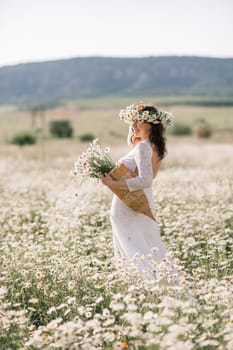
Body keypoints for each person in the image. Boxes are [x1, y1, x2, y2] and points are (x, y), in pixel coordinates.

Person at [101, 103, 176, 281]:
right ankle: (155, 283)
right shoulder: (152, 146)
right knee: (147, 246)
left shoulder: (143, 147)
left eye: (137, 122)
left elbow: (145, 180)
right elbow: (134, 148)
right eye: (131, 122)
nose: (133, 126)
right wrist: (134, 132)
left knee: (133, 248)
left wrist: (111, 183)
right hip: (141, 201)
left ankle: (144, 284)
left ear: (150, 124)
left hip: (129, 205)